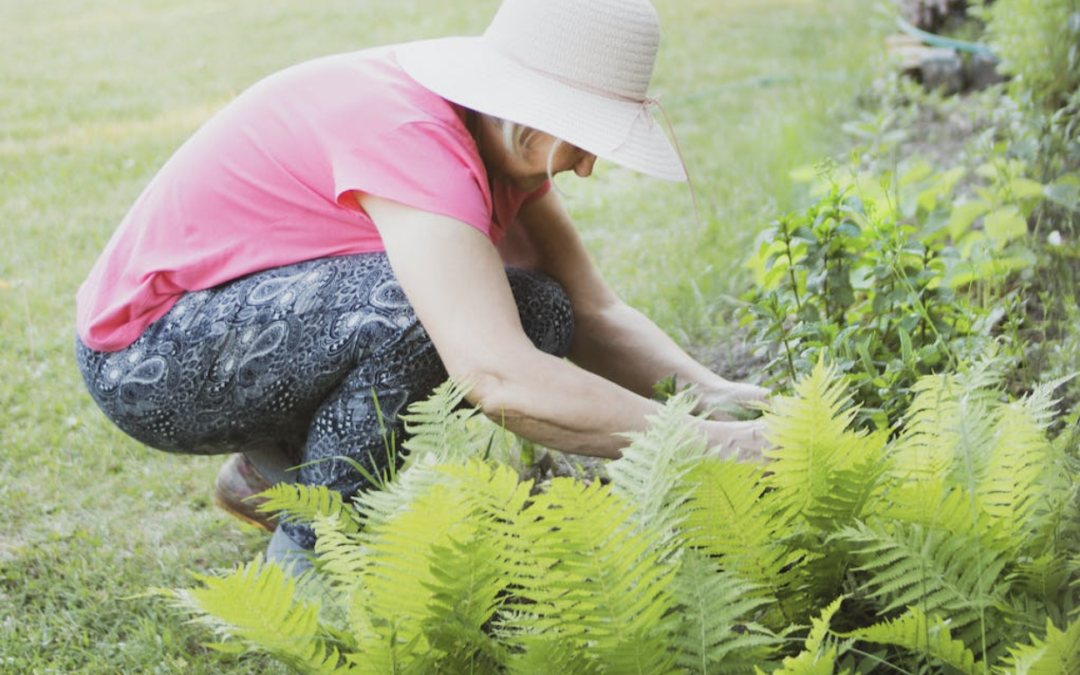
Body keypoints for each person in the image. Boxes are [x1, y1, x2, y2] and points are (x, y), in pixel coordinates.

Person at [74, 0, 770, 565]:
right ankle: (313, 565)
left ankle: (273, 476)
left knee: (541, 309)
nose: (586, 168)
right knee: (416, 315)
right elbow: (497, 376)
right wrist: (710, 444)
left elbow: (594, 312)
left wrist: (718, 397)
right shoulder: (414, 137)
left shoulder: (497, 142)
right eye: (586, 138)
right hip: (146, 357)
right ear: (532, 107)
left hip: (234, 329)